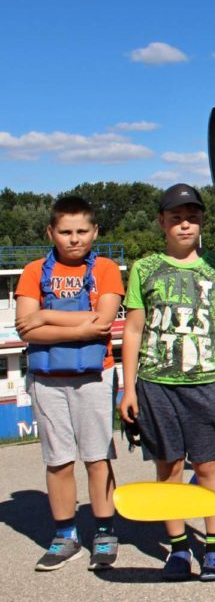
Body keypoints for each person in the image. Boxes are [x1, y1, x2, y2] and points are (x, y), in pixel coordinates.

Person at [119, 183, 215, 581]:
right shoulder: (145, 268)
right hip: (156, 383)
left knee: (209, 466)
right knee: (169, 468)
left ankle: (214, 546)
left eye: (192, 218)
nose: (184, 225)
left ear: (202, 223)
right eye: (176, 218)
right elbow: (133, 330)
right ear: (162, 222)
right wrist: (128, 388)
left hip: (209, 381)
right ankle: (178, 548)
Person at [15, 196, 124, 572]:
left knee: (97, 456)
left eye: (81, 231)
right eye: (65, 232)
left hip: (94, 376)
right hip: (47, 381)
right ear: (51, 232)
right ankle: (65, 535)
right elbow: (25, 328)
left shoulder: (105, 268)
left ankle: (105, 532)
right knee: (58, 460)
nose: (74, 239)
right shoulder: (34, 271)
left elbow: (104, 322)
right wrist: (81, 327)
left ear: (94, 232)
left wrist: (45, 315)